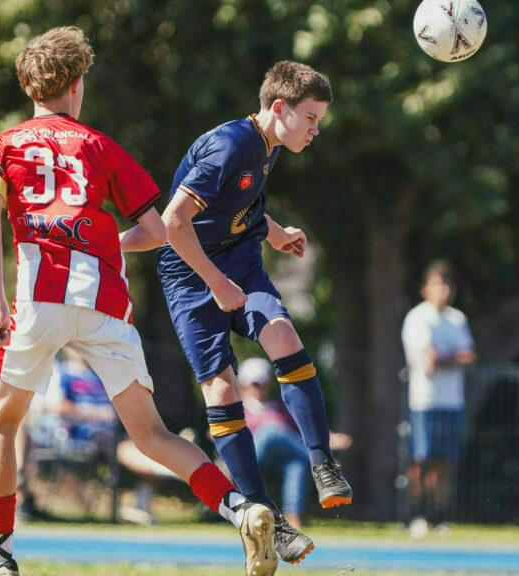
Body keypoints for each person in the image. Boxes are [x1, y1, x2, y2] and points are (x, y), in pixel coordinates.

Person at [0, 26, 277, 576]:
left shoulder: (1, 145)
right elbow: (158, 231)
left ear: (27, 86)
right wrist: (106, 242)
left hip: (39, 297)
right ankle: (241, 508)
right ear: (77, 85)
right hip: (106, 300)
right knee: (151, 434)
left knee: (2, 424)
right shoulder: (101, 146)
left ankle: (0, 559)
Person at [158, 59, 349, 564]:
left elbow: (240, 206)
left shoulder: (266, 145)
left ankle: (323, 463)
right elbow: (174, 223)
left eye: (320, 121)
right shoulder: (230, 145)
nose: (315, 130)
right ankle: (268, 517)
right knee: (221, 390)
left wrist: (276, 230)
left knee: (284, 336)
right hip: (192, 278)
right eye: (311, 118)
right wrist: (215, 283)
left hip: (241, 264)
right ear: (279, 108)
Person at [38, 348, 179, 523]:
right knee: (127, 446)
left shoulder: (100, 375)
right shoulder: (61, 372)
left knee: (141, 439)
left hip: (112, 432)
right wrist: (92, 412)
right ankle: (173, 468)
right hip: (82, 435)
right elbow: (53, 406)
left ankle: (143, 501)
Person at [400, 260, 476, 538]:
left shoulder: (457, 319)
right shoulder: (417, 318)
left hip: (451, 401)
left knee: (444, 463)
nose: (443, 291)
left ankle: (439, 516)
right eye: (437, 285)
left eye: (447, 285)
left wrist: (445, 359)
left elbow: (468, 356)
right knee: (421, 460)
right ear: (425, 289)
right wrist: (449, 358)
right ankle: (415, 515)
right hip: (424, 400)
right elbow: (427, 359)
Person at [238, 357, 353, 528]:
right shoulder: (238, 408)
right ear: (244, 385)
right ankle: (322, 462)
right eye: (254, 384)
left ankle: (293, 518)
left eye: (261, 383)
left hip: (280, 458)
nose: (258, 389)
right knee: (271, 430)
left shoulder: (280, 406)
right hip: (252, 455)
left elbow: (303, 430)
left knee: (297, 464)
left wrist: (328, 437)